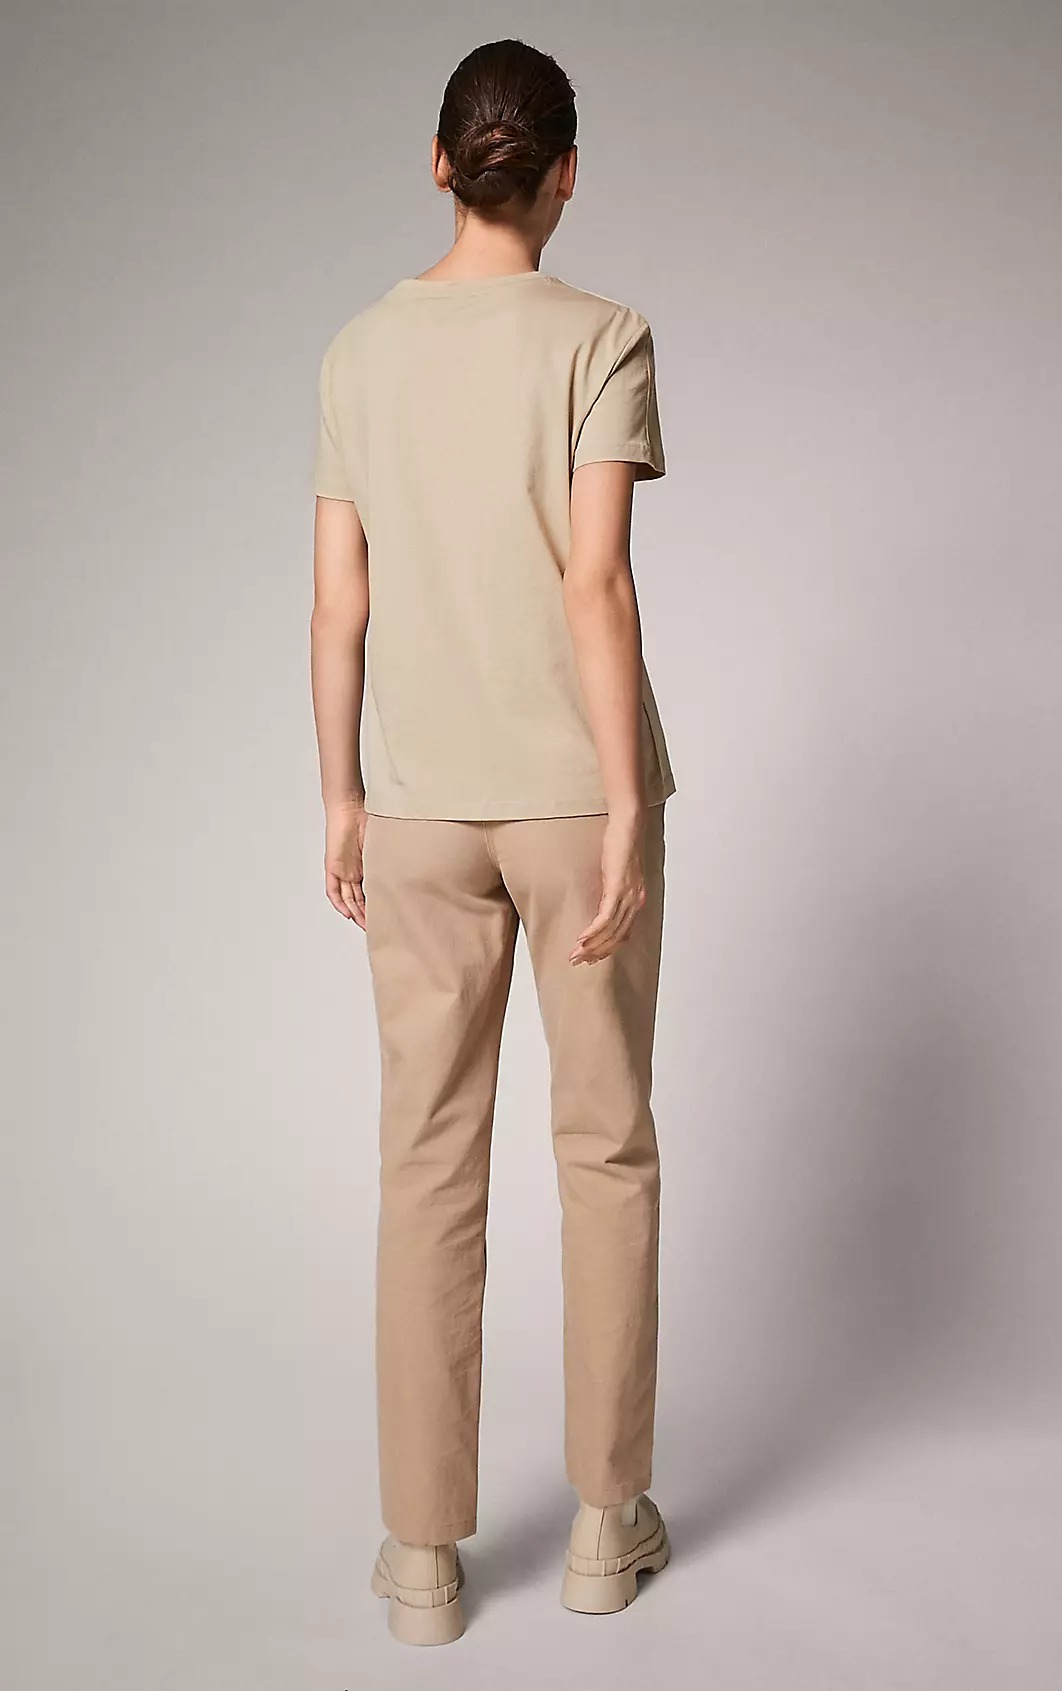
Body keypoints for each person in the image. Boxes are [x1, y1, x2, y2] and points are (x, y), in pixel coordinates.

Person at [309, 38, 675, 1646]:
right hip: (570, 796)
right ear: (569, 172)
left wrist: (341, 794)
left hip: (417, 804)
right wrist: (626, 803)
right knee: (605, 1151)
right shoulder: (603, 336)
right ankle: (604, 1528)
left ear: (441, 162)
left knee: (426, 1164)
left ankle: (421, 1562)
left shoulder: (359, 352)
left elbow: (339, 602)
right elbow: (596, 582)